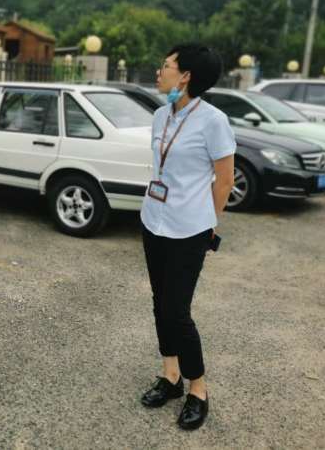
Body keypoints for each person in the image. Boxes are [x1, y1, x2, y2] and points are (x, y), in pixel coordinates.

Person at [138, 44, 236, 431]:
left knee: (178, 312)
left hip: (189, 229)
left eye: (166, 66)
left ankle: (198, 388)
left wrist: (210, 223)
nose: (159, 70)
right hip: (154, 220)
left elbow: (224, 179)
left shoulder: (214, 121)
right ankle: (171, 376)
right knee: (160, 303)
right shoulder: (161, 115)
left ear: (186, 76)